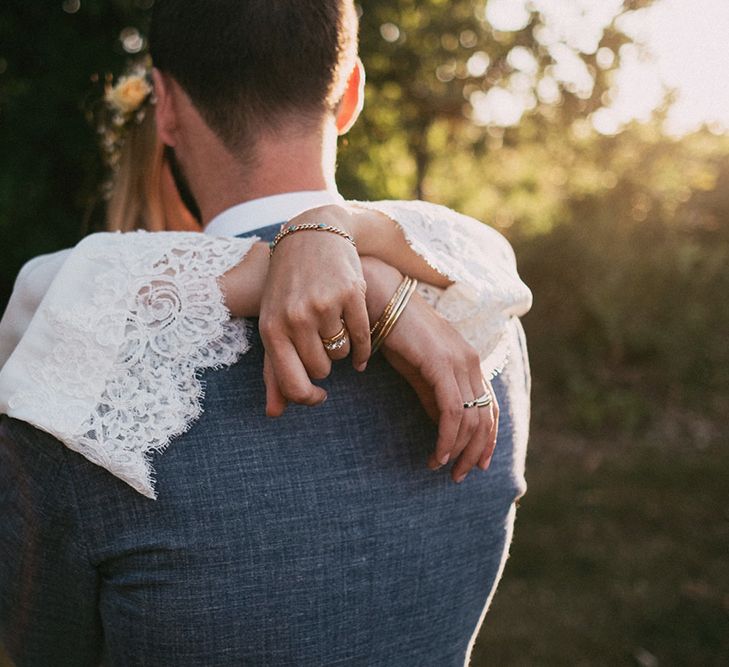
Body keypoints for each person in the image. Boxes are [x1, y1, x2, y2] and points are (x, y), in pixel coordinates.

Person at [0, 1, 532, 665]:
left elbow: (39, 643)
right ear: (351, 96)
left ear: (164, 105)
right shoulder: (479, 321)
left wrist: (325, 248)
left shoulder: (75, 361)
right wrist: (358, 264)